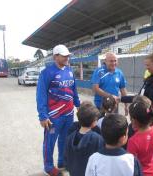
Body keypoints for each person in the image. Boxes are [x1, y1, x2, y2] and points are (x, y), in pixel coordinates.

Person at [36, 44, 80, 176]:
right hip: (54, 116)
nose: (67, 58)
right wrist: (43, 116)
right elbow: (41, 95)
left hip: (69, 114)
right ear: (55, 57)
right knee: (50, 142)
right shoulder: (46, 73)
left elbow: (74, 90)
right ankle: (48, 167)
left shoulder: (70, 71)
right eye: (64, 56)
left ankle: (62, 162)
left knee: (65, 139)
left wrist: (78, 104)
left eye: (68, 55)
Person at [65, 102, 104, 176]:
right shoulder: (97, 139)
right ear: (93, 122)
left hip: (74, 172)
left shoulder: (70, 137)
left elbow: (66, 158)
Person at [127, 99, 153, 176]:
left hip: (139, 173)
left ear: (134, 120)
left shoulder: (133, 141)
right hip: (152, 171)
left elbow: (131, 164)